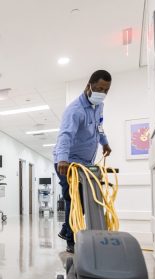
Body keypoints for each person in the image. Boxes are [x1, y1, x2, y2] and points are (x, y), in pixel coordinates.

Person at [53, 69, 112, 253]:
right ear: (89, 87)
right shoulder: (75, 110)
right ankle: (71, 241)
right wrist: (63, 159)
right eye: (99, 89)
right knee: (74, 200)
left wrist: (105, 143)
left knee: (86, 201)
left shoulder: (98, 106)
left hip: (86, 164)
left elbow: (99, 126)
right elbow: (66, 135)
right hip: (67, 163)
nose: (102, 94)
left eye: (106, 90)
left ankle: (65, 230)